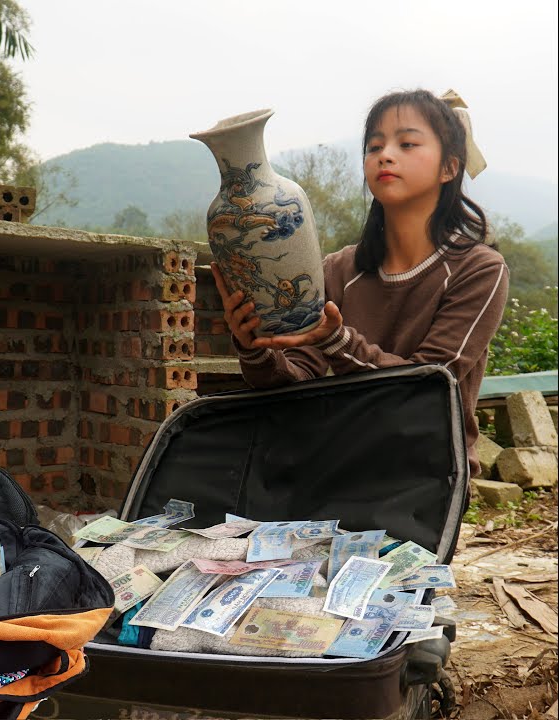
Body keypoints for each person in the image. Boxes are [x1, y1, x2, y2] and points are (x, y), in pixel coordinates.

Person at [213, 89, 508, 478]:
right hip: (333, 467)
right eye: (374, 146)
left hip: (424, 474)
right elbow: (293, 380)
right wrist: (254, 347)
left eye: (407, 143)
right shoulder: (339, 268)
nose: (385, 154)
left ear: (449, 168)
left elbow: (426, 387)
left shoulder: (479, 269)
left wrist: (336, 340)